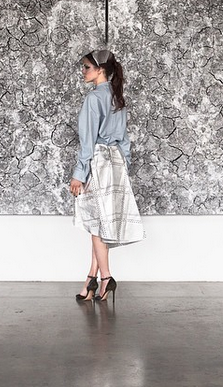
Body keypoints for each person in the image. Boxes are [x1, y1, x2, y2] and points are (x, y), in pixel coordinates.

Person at [70, 49, 145, 303]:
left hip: (99, 161)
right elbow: (124, 139)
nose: (83, 71)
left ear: (100, 70)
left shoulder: (94, 99)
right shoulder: (116, 96)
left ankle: (106, 277)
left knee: (95, 223)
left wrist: (79, 173)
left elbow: (87, 141)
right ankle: (90, 280)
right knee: (100, 222)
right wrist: (124, 166)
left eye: (87, 67)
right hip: (116, 162)